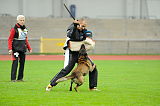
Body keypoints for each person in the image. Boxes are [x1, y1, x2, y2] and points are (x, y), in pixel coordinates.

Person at [46, 18, 99, 91]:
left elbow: (85, 37)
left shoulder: (83, 30)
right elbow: (73, 36)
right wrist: (75, 26)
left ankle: (92, 87)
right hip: (73, 53)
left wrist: (82, 30)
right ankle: (51, 84)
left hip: (81, 53)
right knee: (67, 70)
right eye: (82, 26)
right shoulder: (71, 28)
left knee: (93, 67)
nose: (84, 28)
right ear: (78, 24)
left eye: (84, 26)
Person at [8, 15, 32, 82]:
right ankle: (13, 79)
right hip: (15, 48)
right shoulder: (14, 29)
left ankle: (20, 78)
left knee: (22, 63)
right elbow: (10, 39)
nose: (22, 21)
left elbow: (25, 39)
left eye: (23, 20)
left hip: (22, 48)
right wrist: (10, 49)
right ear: (17, 21)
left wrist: (29, 48)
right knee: (15, 63)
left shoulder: (25, 29)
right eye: (20, 20)